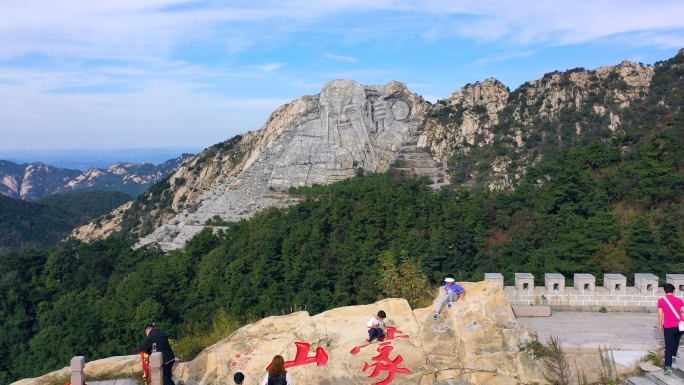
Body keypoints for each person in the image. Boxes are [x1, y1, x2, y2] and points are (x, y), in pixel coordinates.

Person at [658, 283, 684, 375]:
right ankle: (673, 359)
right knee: (676, 342)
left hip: (669, 326)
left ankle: (668, 366)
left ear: (665, 291)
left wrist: (660, 325)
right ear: (674, 291)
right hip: (680, 327)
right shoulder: (679, 300)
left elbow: (660, 314)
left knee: (668, 346)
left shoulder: (661, 301)